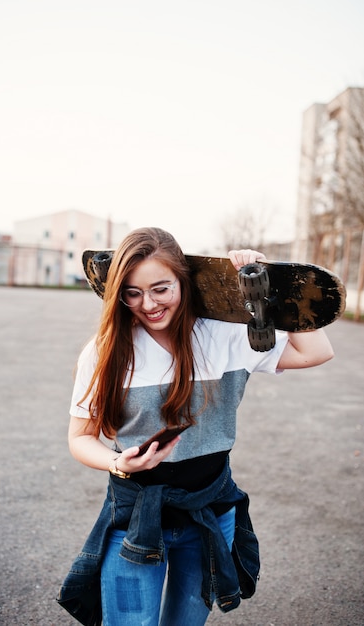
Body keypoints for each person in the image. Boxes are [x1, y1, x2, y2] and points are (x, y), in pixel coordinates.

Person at [57, 227, 334, 626]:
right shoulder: (106, 351)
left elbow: (317, 351)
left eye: (160, 289)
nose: (147, 304)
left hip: (209, 508)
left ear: (183, 282)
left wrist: (272, 285)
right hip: (136, 513)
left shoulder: (225, 335)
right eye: (132, 292)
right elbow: (80, 438)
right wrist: (120, 464)